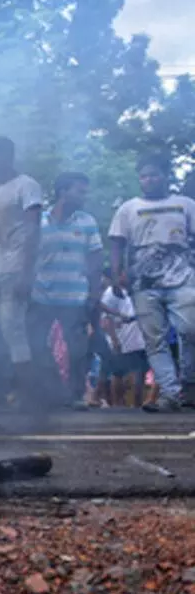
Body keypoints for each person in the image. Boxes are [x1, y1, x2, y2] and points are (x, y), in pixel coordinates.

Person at [108, 155, 195, 412]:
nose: (149, 180)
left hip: (183, 280)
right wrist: (116, 274)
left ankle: (190, 384)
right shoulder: (128, 208)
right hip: (144, 284)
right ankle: (170, 393)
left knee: (190, 330)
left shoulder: (186, 204)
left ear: (166, 175)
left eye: (154, 174)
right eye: (144, 176)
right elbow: (116, 243)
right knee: (154, 340)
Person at [28, 172, 103, 409]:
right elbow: (28, 257)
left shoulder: (87, 222)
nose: (84, 196)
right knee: (36, 344)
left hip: (76, 295)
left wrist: (94, 291)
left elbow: (95, 257)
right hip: (41, 295)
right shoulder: (38, 221)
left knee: (78, 350)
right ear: (63, 192)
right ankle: (53, 391)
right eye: (79, 191)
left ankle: (75, 394)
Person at [0, 136, 44, 407]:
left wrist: (26, 272)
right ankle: (9, 391)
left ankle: (29, 396)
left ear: (9, 156)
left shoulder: (27, 186)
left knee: (14, 332)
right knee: (1, 333)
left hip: (15, 268)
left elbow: (32, 229)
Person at [99, 281, 149, 407]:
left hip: (141, 339)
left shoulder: (139, 288)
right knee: (118, 372)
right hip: (123, 338)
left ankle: (138, 405)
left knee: (140, 372)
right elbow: (105, 319)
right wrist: (115, 340)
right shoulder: (112, 292)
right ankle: (117, 406)